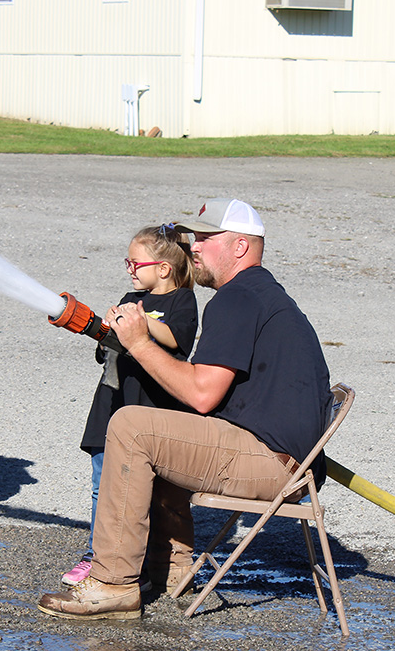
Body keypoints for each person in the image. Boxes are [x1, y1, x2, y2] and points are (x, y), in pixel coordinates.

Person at [38, 198, 333, 620]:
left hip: (274, 463)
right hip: (289, 461)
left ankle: (112, 583)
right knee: (161, 427)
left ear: (240, 247)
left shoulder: (238, 299)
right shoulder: (259, 294)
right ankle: (169, 568)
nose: (194, 246)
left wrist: (139, 343)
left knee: (132, 427)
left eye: (208, 238)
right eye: (195, 236)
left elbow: (202, 395)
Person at [61, 223, 198, 587]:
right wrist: (101, 330)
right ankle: (98, 555)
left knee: (149, 492)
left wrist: (139, 326)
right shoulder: (129, 299)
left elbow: (176, 338)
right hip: (112, 404)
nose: (129, 270)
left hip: (152, 410)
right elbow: (106, 350)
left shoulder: (181, 301)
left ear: (163, 268)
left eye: (135, 263)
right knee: (100, 485)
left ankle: (148, 562)